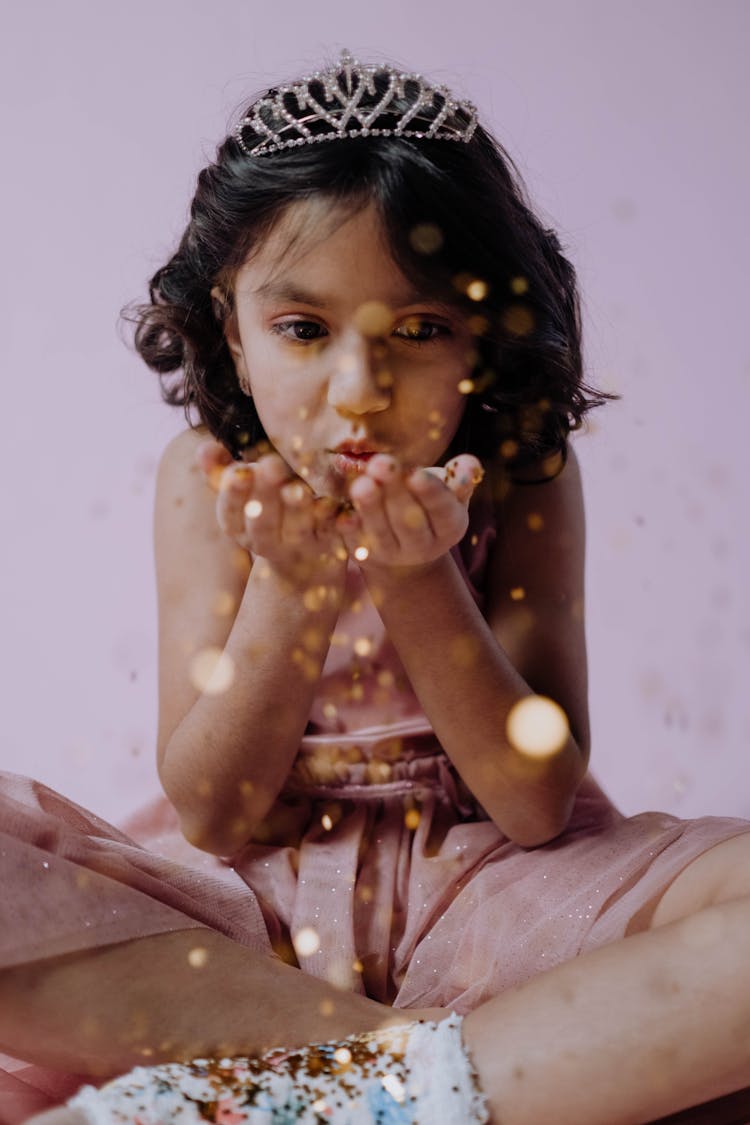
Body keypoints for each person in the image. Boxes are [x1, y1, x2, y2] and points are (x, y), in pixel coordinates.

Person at [2, 49, 750, 1125]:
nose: (358, 394)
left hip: (492, 893)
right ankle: (410, 1075)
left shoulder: (525, 476)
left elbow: (535, 804)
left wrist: (417, 574)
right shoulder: (209, 480)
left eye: (420, 331)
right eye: (302, 331)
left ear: (482, 340)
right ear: (230, 327)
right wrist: (292, 588)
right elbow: (215, 811)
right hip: (242, 928)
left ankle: (285, 1100)